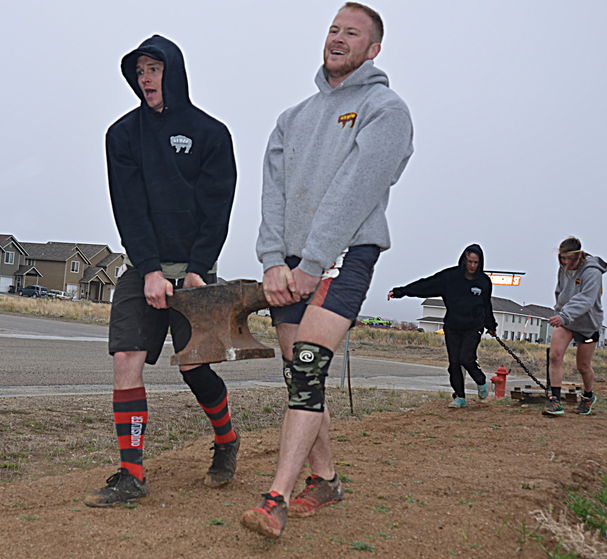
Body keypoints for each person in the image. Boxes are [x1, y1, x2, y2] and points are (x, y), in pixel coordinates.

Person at [241, 3, 413, 538]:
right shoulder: (292, 118)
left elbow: (356, 187)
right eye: (333, 29)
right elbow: (273, 192)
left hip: (346, 254)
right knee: (300, 379)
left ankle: (277, 498)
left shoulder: (385, 109)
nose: (338, 37)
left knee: (310, 367)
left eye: (352, 32)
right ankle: (328, 479)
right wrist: (273, 261)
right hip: (291, 262)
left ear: (373, 49)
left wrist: (316, 262)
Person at [85, 35, 238, 507]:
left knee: (194, 366)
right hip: (143, 267)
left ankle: (227, 439)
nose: (145, 78)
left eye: (154, 68)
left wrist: (196, 270)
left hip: (194, 268)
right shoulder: (122, 135)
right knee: (125, 361)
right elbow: (128, 207)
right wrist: (150, 270)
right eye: (140, 71)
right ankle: (131, 474)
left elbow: (217, 208)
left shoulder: (211, 134)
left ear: (174, 71)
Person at [388, 244, 497, 408]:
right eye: (470, 262)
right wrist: (400, 292)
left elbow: (486, 305)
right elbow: (426, 285)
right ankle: (460, 397)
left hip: (473, 326)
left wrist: (491, 325)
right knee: (454, 363)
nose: (472, 266)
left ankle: (480, 380)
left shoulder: (484, 281)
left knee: (466, 358)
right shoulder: (450, 277)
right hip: (453, 325)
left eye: (476, 262)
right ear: (464, 260)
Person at [543, 237, 607, 416]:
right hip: (567, 321)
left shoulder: (592, 272)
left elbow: (586, 299)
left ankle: (588, 396)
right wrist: (560, 311)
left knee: (583, 366)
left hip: (588, 323)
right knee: (555, 355)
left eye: (569, 259)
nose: (565, 262)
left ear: (579, 256)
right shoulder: (563, 268)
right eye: (562, 258)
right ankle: (554, 400)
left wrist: (564, 315)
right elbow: (561, 291)